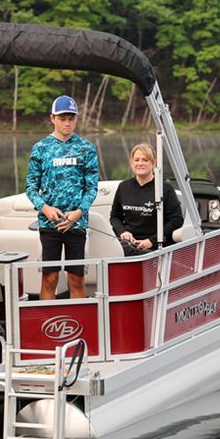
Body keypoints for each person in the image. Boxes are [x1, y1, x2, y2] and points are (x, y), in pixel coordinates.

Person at [26, 95, 99, 300]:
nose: (67, 122)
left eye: (71, 118)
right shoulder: (40, 148)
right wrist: (45, 208)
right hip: (49, 223)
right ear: (53, 118)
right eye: (62, 118)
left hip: (76, 223)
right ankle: (47, 323)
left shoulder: (87, 149)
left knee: (76, 279)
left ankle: (78, 324)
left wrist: (78, 213)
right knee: (49, 278)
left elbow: (92, 187)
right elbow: (31, 186)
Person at [109, 143, 183, 251]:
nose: (140, 163)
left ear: (154, 163)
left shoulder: (165, 189)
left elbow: (176, 220)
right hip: (128, 245)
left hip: (155, 247)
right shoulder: (123, 187)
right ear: (131, 163)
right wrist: (123, 232)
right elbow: (115, 217)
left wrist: (151, 241)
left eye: (145, 160)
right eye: (137, 160)